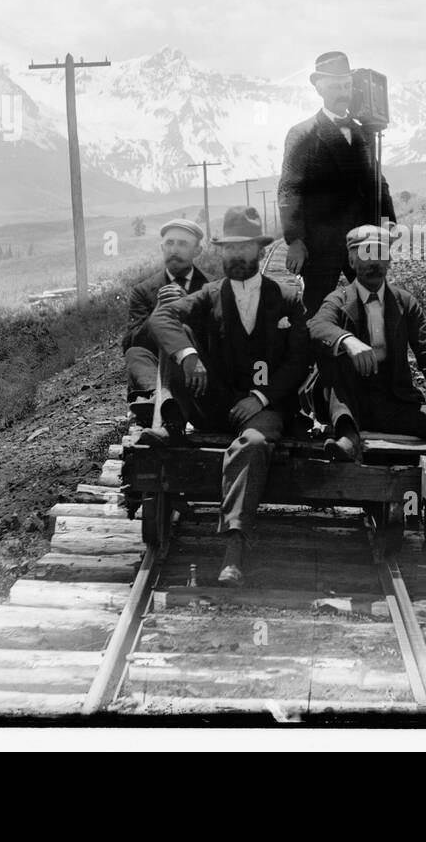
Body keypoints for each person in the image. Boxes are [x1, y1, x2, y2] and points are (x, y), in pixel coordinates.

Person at [147, 207, 310, 585]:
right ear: (221, 252)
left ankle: (234, 546)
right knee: (174, 340)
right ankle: (171, 423)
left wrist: (262, 397)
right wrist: (190, 357)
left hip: (261, 409)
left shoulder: (286, 299)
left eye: (245, 247)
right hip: (214, 402)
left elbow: (299, 360)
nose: (236, 256)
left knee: (253, 444)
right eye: (230, 249)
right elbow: (161, 320)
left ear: (259, 249)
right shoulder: (209, 295)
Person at [307, 224, 426, 564]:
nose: (374, 263)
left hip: (394, 403)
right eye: (366, 255)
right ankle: (347, 438)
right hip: (350, 403)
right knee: (333, 367)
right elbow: (315, 327)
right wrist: (346, 340)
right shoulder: (338, 300)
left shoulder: (404, 303)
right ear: (352, 260)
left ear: (389, 260)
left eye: (380, 255)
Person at [278, 50, 397, 316]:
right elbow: (289, 189)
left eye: (346, 85)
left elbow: (377, 180)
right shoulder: (302, 134)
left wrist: (388, 219)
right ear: (319, 88)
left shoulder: (362, 132)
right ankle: (318, 355)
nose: (342, 91)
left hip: (364, 237)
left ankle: (371, 351)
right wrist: (295, 240)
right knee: (318, 306)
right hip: (322, 244)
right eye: (334, 86)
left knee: (373, 301)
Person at [121, 218, 207, 428]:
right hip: (157, 370)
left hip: (196, 369)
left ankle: (167, 404)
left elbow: (220, 335)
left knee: (186, 331)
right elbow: (131, 341)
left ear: (198, 250)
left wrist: (188, 307)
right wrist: (158, 313)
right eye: (169, 243)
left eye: (183, 244)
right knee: (135, 353)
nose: (174, 250)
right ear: (162, 247)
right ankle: (156, 398)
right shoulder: (144, 291)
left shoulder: (210, 287)